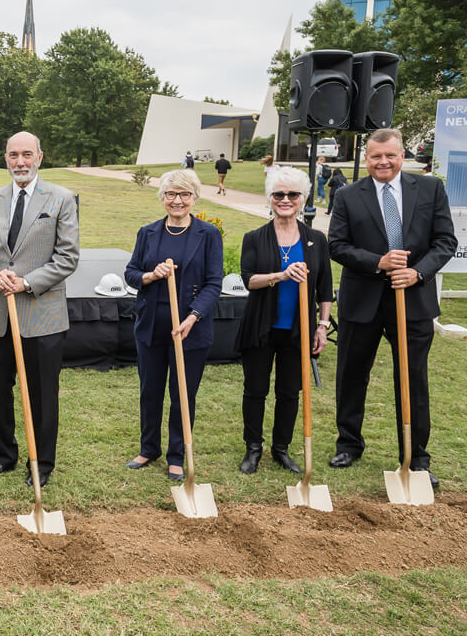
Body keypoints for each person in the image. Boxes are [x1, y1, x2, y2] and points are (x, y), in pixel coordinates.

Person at [327, 128, 456, 487]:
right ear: (366, 158)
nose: (383, 162)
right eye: (375, 156)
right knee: (352, 377)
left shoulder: (430, 190)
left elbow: (446, 241)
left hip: (412, 302)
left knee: (412, 379)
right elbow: (336, 245)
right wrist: (377, 262)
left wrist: (417, 273)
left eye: (390, 155)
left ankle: (416, 457)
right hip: (361, 301)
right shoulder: (349, 195)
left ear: (403, 156)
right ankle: (349, 444)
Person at [0, 132, 79, 487]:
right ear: (6, 159)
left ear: (40, 157)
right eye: (14, 155)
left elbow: (67, 256)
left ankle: (41, 463)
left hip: (41, 315)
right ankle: (3, 456)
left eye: (27, 154)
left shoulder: (61, 199)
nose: (20, 162)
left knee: (42, 394)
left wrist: (26, 282)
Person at [123, 169, 223, 482]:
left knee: (182, 393)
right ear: (163, 198)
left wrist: (193, 317)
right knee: (150, 391)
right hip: (151, 327)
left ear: (194, 198)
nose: (176, 200)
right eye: (170, 194)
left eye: (183, 194)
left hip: (190, 329)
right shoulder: (148, 232)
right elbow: (130, 273)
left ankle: (177, 455)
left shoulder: (208, 234)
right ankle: (148, 448)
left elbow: (213, 282)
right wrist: (150, 276)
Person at [236, 167, 333, 474]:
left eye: (293, 194)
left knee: (289, 391)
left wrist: (321, 326)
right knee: (255, 389)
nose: (286, 199)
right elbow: (249, 280)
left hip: (298, 330)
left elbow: (325, 289)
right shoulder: (254, 238)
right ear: (270, 198)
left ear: (303, 198)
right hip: (261, 327)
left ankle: (281, 448)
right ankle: (253, 448)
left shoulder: (316, 240)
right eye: (279, 194)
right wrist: (280, 274)